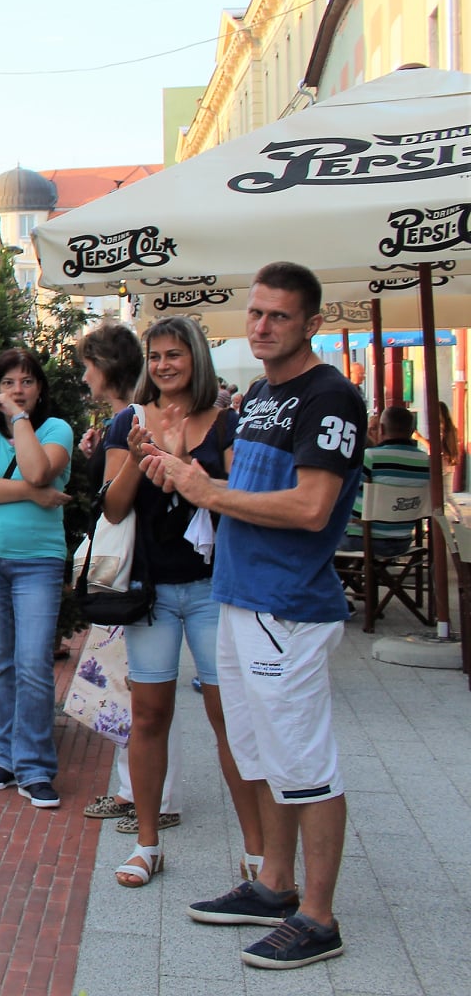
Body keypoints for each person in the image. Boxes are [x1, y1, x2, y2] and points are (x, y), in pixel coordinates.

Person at [144, 262, 364, 970]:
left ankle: (318, 919)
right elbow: (247, 490)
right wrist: (185, 472)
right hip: (239, 594)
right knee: (259, 751)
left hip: (288, 605)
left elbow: (311, 507)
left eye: (279, 316)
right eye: (256, 313)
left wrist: (209, 492)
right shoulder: (264, 394)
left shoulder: (330, 397)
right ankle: (273, 884)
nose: (262, 326)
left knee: (304, 761)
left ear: (312, 324)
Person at [98, 320, 264, 891]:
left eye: (175, 354)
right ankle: (147, 845)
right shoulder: (128, 420)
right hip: (152, 592)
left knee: (229, 717)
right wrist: (135, 457)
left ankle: (257, 850)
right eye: (156, 356)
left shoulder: (225, 421)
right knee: (148, 715)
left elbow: (241, 500)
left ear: (195, 358)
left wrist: (189, 471)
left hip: (215, 588)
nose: (164, 365)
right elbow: (113, 508)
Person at [0, 348, 75, 810]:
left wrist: (19, 420)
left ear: (40, 388)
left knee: (34, 664)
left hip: (38, 562)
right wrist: (33, 495)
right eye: (7, 383)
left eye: (26, 381)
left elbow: (38, 468)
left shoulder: (56, 429)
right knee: (1, 664)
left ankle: (36, 767)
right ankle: (7, 757)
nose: (17, 390)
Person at [73, 323, 176, 831]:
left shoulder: (126, 421)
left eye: (88, 366)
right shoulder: (130, 418)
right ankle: (134, 790)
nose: (84, 376)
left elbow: (115, 501)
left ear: (106, 367)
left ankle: (149, 797)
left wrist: (103, 458)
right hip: (149, 567)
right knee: (135, 686)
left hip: (130, 573)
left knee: (135, 688)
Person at [343, 405, 429, 553]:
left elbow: (344, 491)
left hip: (362, 540)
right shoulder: (425, 461)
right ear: (412, 431)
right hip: (402, 542)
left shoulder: (370, 457)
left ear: (381, 429)